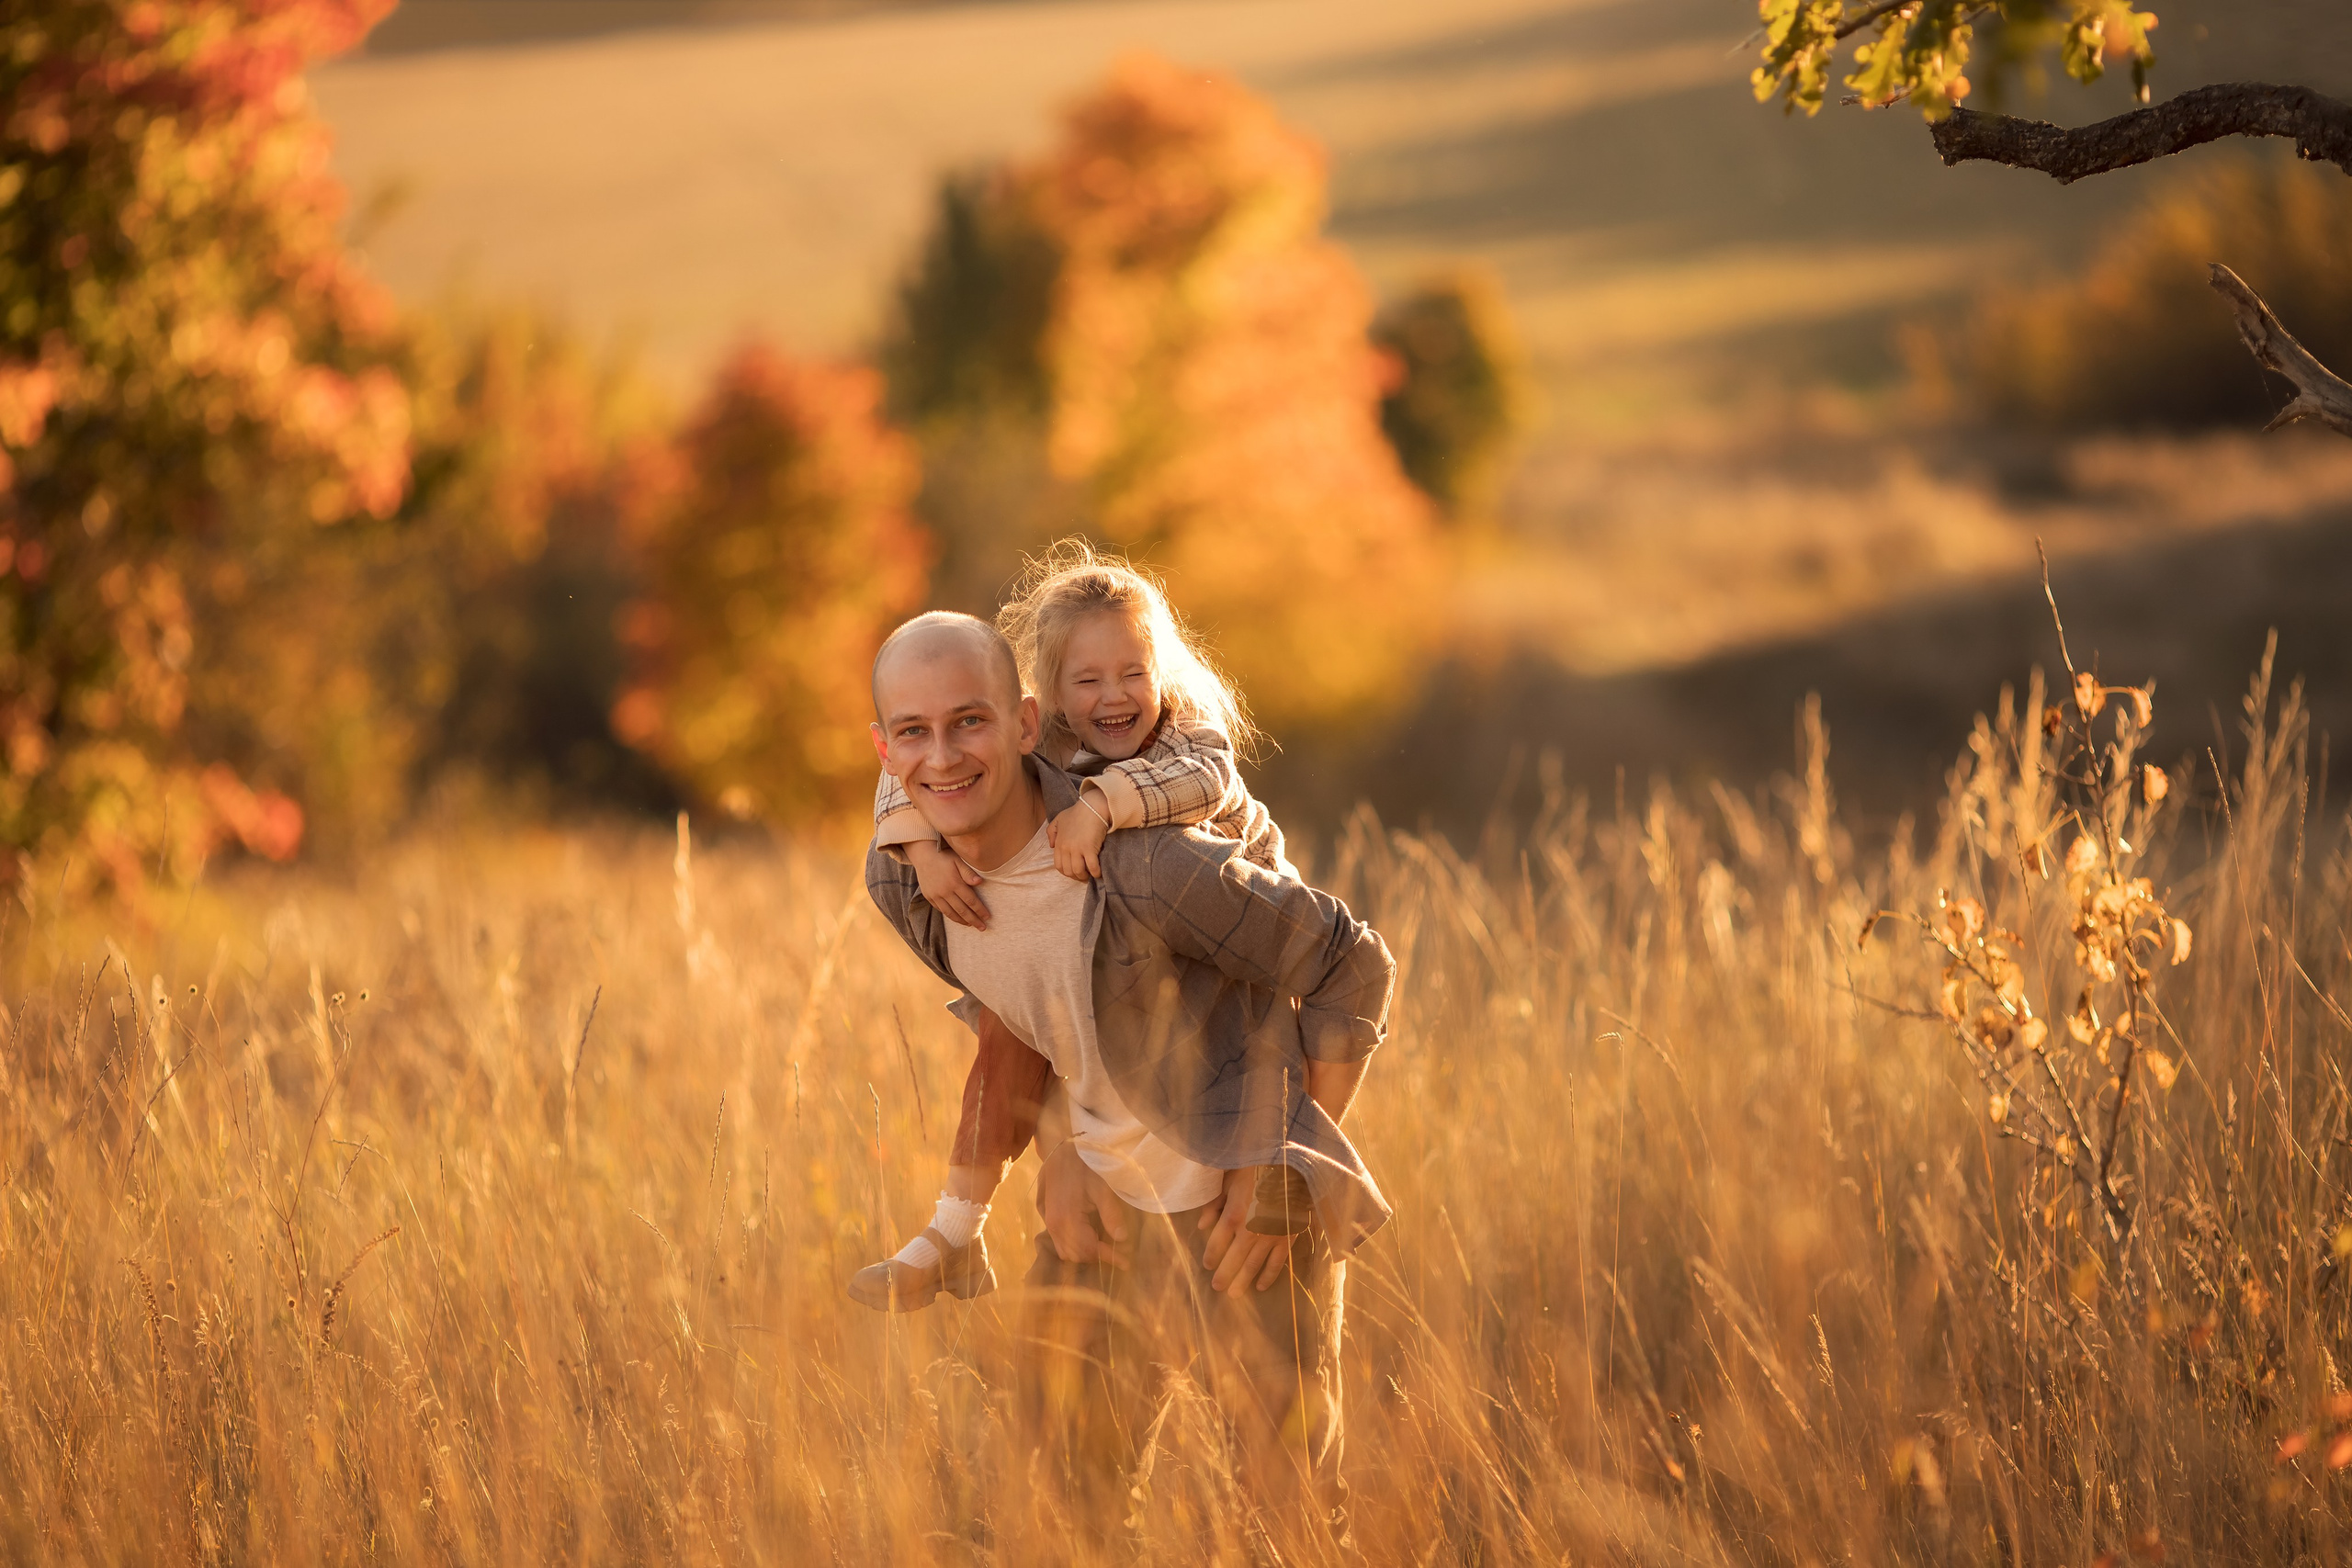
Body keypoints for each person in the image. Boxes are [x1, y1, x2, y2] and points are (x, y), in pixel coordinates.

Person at [858, 608, 1394, 1519]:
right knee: (1066, 1500)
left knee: (1284, 1510)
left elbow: (1353, 961)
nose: (943, 756)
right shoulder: (909, 884)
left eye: (970, 723)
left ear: (1027, 724)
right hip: (1098, 1218)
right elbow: (1027, 1008)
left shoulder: (1149, 867)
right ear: (885, 749)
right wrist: (1061, 1152)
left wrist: (1281, 1175)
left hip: (1244, 1225)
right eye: (915, 733)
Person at [849, 545, 1313, 1313]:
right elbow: (1057, 1014)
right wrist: (920, 845)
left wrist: (1282, 1169)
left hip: (1243, 1015)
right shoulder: (1020, 776)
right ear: (1050, 704)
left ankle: (954, 1232)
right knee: (1006, 1018)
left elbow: (1315, 966)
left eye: (1134, 673)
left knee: (1273, 1424)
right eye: (1088, 680)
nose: (1114, 695)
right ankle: (954, 1229)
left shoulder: (1179, 773)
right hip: (1113, 1173)